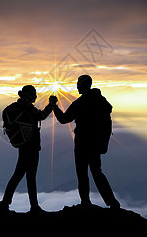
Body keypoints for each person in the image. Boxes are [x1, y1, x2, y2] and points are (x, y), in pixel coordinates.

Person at [50, 75, 120, 209]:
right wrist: (103, 143)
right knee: (97, 172)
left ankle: (86, 202)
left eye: (78, 83)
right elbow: (106, 122)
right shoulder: (101, 101)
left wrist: (54, 106)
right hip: (96, 143)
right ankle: (112, 202)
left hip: (82, 142)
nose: (77, 86)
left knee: (82, 173)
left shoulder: (80, 103)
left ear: (83, 85)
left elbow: (64, 119)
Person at [0, 85, 52, 212]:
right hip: (32, 146)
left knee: (18, 174)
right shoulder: (28, 108)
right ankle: (34, 207)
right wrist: (51, 105)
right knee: (30, 176)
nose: (35, 97)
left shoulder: (13, 107)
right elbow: (42, 116)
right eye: (33, 94)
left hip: (22, 146)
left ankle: (6, 202)